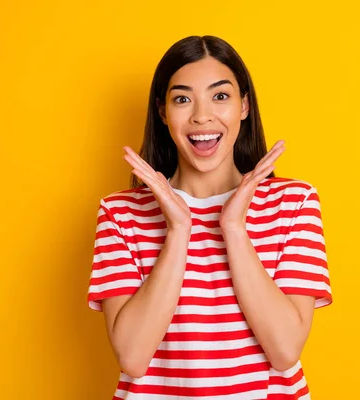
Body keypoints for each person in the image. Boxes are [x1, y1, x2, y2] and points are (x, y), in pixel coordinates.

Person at [87, 35, 332, 399]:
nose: (202, 115)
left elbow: (284, 351)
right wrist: (179, 230)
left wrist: (233, 227)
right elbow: (133, 359)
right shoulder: (121, 213)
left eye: (220, 96)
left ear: (244, 106)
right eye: (183, 99)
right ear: (162, 111)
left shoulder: (294, 203)